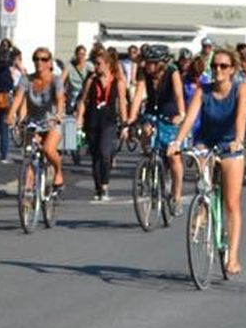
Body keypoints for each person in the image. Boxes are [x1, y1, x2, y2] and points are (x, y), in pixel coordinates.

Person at [171, 48, 246, 277]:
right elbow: (191, 116)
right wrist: (177, 141)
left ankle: (232, 257)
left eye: (224, 66)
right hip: (206, 141)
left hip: (230, 145)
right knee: (204, 180)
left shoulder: (239, 89)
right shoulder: (202, 90)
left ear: (232, 69)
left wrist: (238, 140)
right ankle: (203, 206)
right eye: (215, 66)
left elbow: (241, 117)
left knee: (231, 203)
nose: (218, 70)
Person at [129, 44, 187, 212]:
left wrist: (181, 114)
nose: (147, 65)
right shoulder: (144, 73)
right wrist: (132, 117)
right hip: (152, 112)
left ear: (160, 63)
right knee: (146, 132)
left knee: (174, 157)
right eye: (146, 62)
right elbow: (139, 94)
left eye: (151, 62)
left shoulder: (172, 72)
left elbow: (178, 94)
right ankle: (149, 165)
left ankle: (176, 196)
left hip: (169, 114)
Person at [11, 46, 67, 195]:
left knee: (48, 149)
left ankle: (58, 172)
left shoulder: (56, 80)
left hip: (52, 121)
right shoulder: (26, 79)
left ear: (50, 63)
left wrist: (59, 115)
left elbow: (60, 99)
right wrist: (11, 115)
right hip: (34, 121)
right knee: (29, 154)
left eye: (44, 59)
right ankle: (28, 191)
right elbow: (18, 98)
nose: (39, 62)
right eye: (36, 59)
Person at [76, 48, 126, 201]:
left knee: (105, 153)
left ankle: (104, 185)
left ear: (107, 64)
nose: (96, 67)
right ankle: (98, 187)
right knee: (95, 156)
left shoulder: (117, 82)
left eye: (98, 64)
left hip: (109, 121)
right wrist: (79, 119)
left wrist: (125, 125)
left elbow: (122, 104)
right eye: (95, 64)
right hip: (93, 121)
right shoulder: (91, 80)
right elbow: (83, 101)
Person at [63, 45, 92, 115]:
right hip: (72, 96)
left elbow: (94, 76)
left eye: (83, 54)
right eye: (79, 54)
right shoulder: (69, 66)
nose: (81, 57)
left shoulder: (89, 66)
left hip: (84, 95)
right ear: (76, 55)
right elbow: (62, 79)